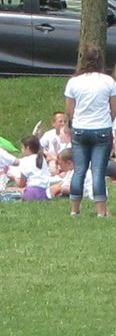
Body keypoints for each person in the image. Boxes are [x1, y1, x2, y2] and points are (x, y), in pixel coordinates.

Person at [63, 47, 116, 217]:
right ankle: (101, 211)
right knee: (98, 171)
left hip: (80, 129)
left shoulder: (74, 82)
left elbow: (69, 110)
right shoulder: (108, 81)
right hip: (101, 129)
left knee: (79, 169)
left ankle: (74, 209)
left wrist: (69, 124)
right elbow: (113, 108)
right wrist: (108, 120)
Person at [17, 135, 52, 201]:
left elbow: (21, 184)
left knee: (9, 190)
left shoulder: (25, 160)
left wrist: (13, 177)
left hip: (30, 192)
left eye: (22, 147)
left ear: (27, 148)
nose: (21, 150)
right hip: (44, 193)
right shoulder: (42, 159)